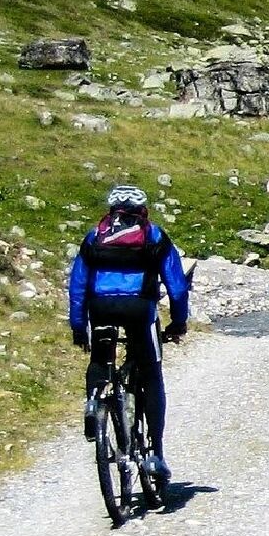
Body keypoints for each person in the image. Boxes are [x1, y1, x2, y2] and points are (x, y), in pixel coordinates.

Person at [67, 185, 190, 483]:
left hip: (100, 308)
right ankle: (155, 454)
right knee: (151, 374)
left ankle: (94, 403)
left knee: (100, 357)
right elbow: (176, 285)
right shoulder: (154, 235)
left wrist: (78, 325)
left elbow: (78, 283)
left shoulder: (95, 235)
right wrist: (178, 321)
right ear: (142, 210)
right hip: (139, 309)